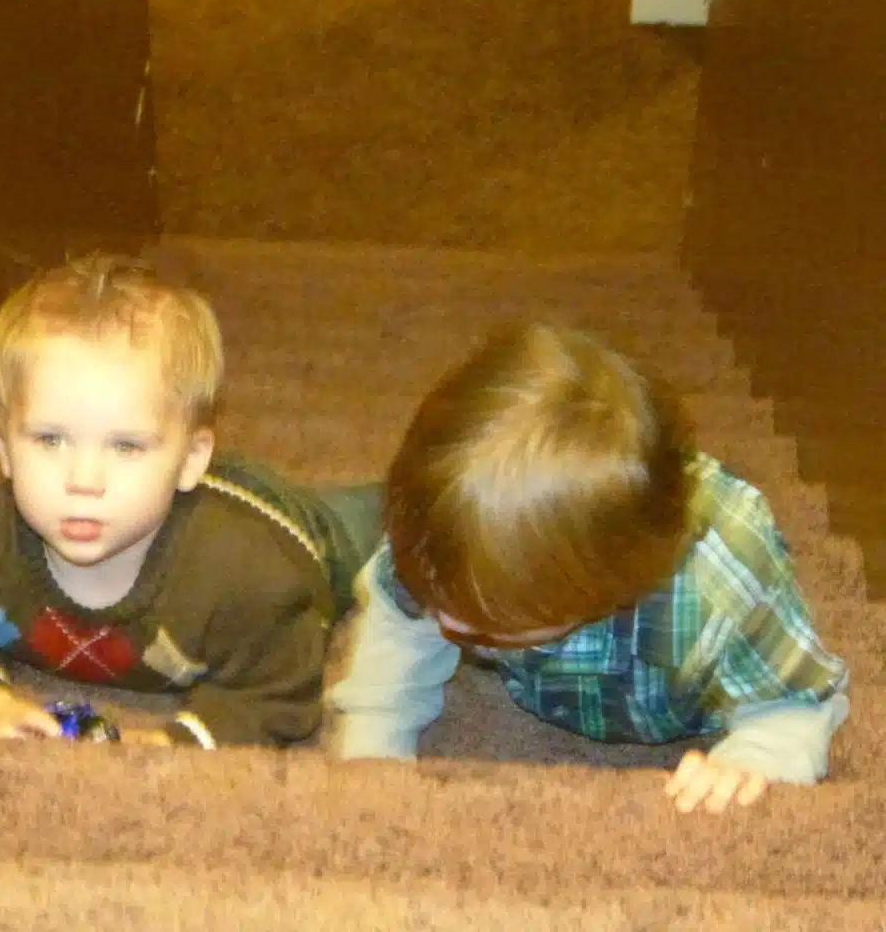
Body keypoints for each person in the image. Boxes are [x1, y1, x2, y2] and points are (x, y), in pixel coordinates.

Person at [328, 322, 850, 814]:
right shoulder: (447, 542)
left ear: (608, 594)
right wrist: (376, 740)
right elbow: (400, 621)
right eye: (438, 596)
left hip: (677, 695)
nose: (448, 622)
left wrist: (754, 760)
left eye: (488, 621)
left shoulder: (721, 588)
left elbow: (797, 704)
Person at [0, 253, 381, 748]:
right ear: (2, 449)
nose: (83, 480)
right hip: (181, 495)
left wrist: (180, 742)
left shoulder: (248, 580)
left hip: (304, 533)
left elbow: (279, 688)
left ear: (191, 459)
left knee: (404, 514)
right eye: (50, 440)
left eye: (125, 446)